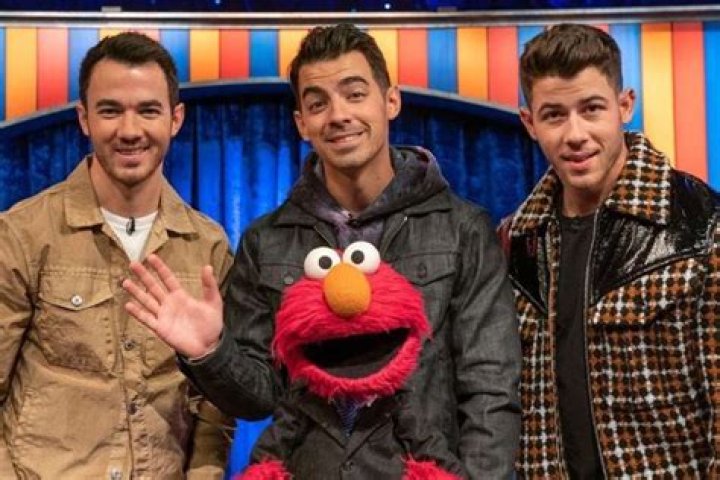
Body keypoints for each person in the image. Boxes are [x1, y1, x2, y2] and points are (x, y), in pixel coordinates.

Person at [123, 23, 521, 478]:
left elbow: (490, 388)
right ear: (301, 123)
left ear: (390, 101)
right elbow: (258, 398)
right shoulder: (267, 240)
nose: (338, 115)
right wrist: (209, 352)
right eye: (318, 104)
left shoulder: (461, 228)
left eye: (355, 94)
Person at [0, 32, 233, 479]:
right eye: (110, 111)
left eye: (148, 110)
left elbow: (215, 407)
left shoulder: (209, 247)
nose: (129, 130)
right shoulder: (22, 234)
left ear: (176, 119)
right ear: (84, 119)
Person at [501, 23, 720, 478]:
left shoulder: (702, 227)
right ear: (529, 123)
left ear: (625, 106)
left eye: (592, 109)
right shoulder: (513, 243)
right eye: (554, 115)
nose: (575, 133)